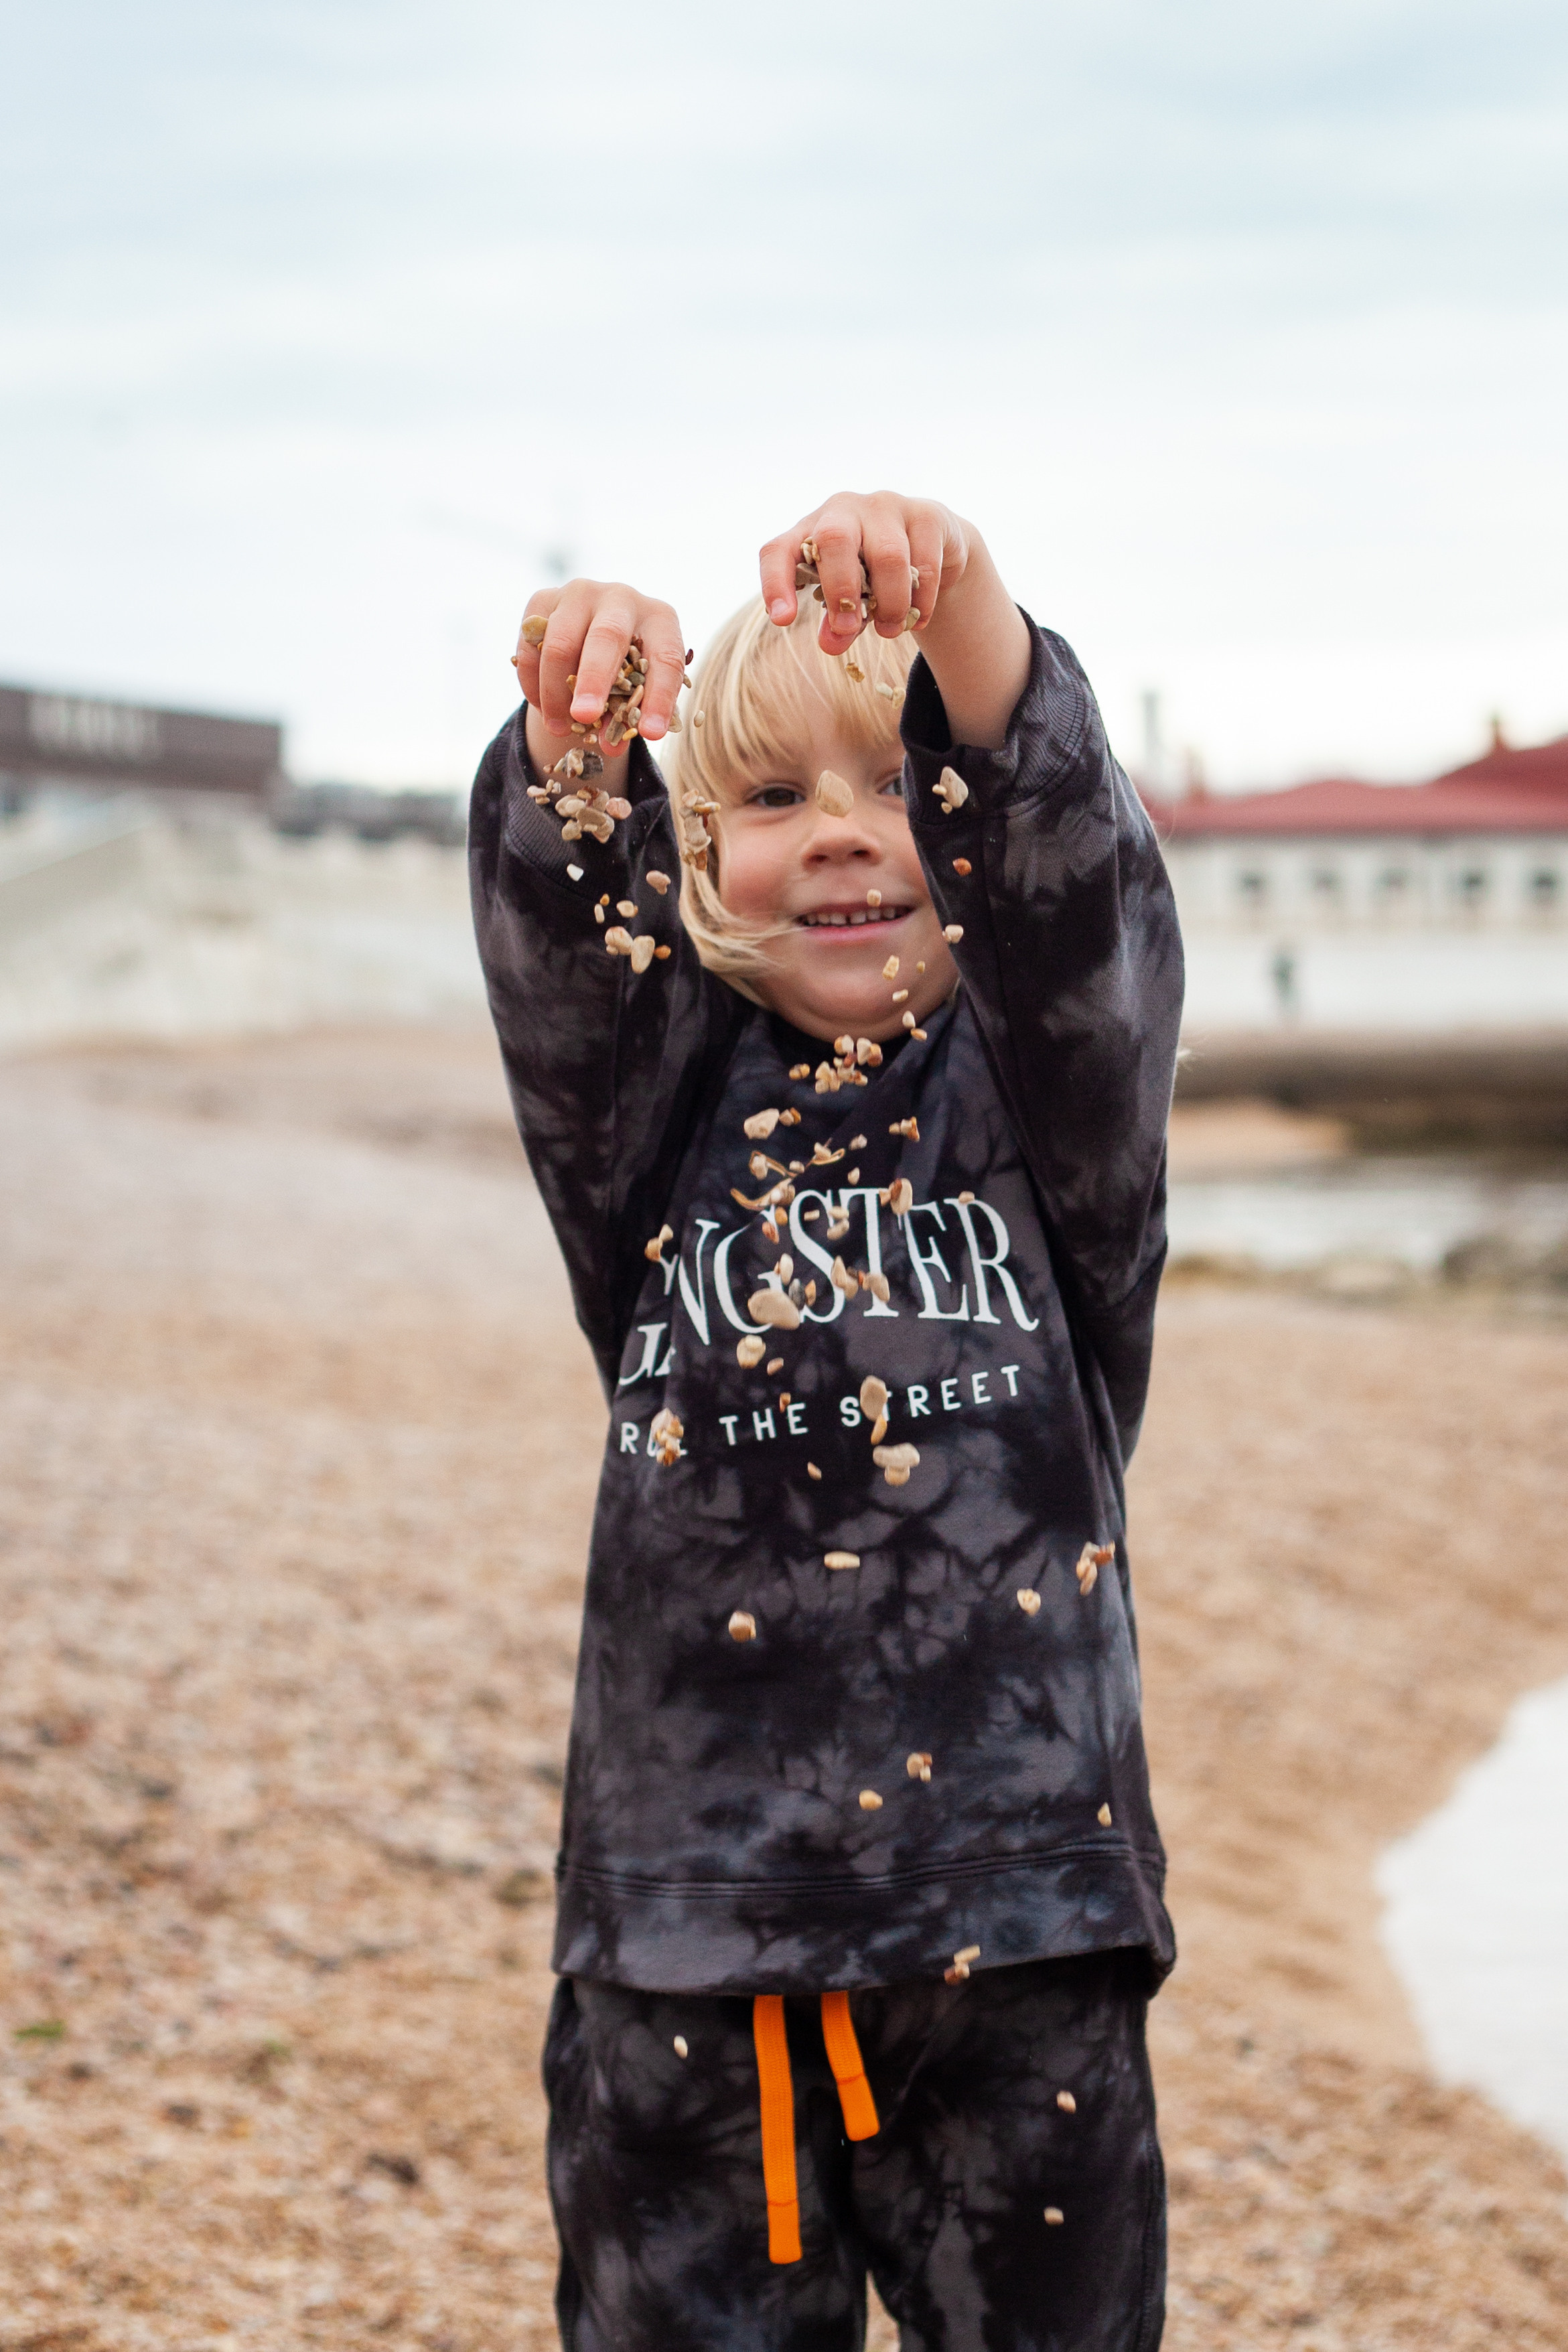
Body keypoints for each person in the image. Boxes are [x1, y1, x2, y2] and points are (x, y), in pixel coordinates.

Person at [470, 490, 1184, 2351]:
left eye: (901, 786)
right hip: (688, 1932)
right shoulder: (656, 1114)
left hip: (1017, 1920)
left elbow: (1060, 862)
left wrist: (961, 599)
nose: (850, 832)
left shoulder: (1052, 1107)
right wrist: (571, 733)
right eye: (774, 800)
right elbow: (566, 937)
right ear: (701, 863)